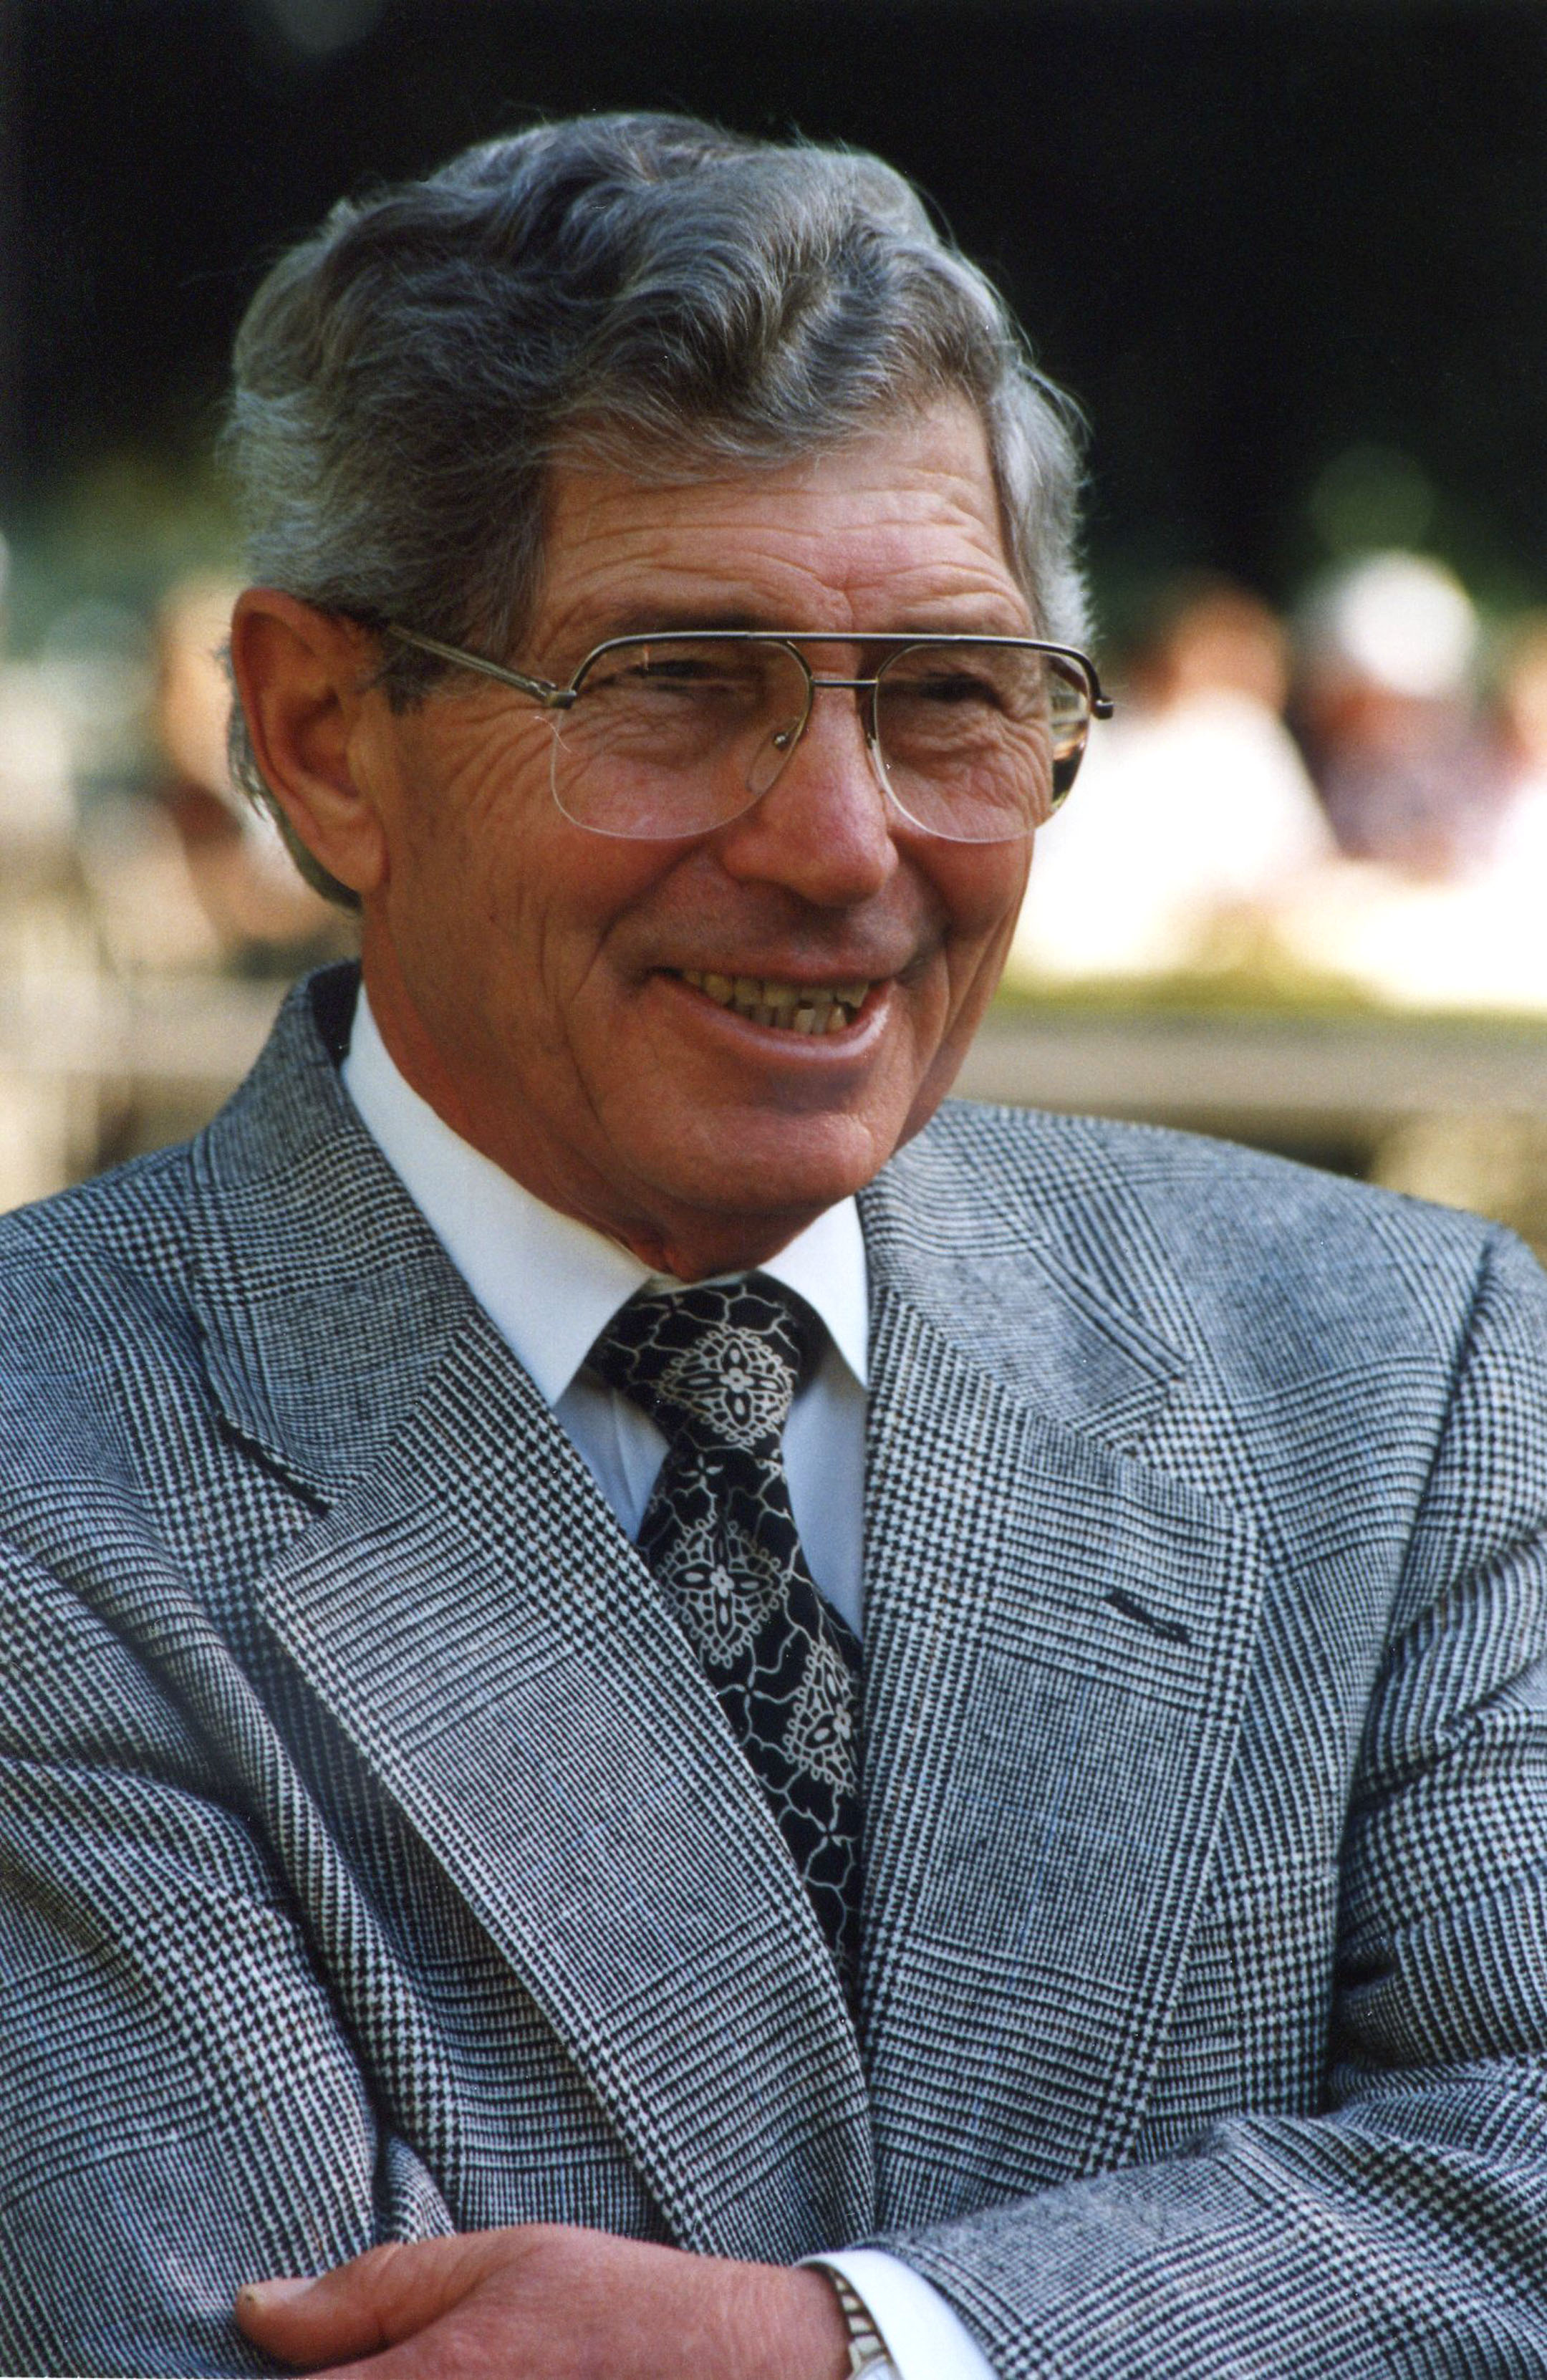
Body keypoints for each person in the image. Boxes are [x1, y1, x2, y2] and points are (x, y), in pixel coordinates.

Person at [2, 115, 1546, 2380]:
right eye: (676, 683)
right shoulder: (52, 1460)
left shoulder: (1403, 1371)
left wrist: (865, 2348)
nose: (842, 845)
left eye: (948, 695)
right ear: (327, 739)